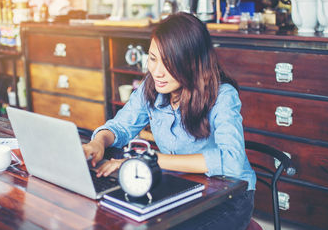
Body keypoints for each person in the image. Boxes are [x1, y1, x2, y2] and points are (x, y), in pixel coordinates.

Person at [83, 12, 256, 230]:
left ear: (193, 63)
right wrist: (98, 142)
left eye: (169, 63)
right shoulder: (151, 87)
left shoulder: (223, 95)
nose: (157, 72)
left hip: (229, 199)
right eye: (153, 59)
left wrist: (150, 160)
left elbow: (231, 161)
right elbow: (120, 126)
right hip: (182, 187)